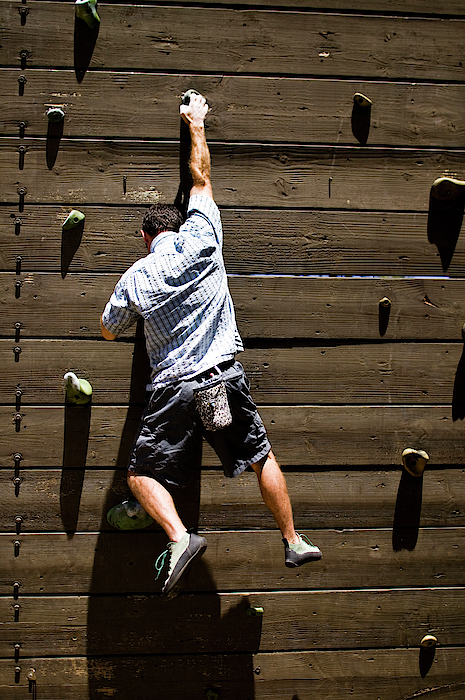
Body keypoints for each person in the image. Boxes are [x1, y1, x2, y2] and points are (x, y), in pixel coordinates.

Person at [100, 91, 321, 599]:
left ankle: (179, 538)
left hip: (174, 389)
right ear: (177, 225)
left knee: (139, 475)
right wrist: (195, 120)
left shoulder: (138, 274)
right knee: (260, 455)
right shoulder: (203, 235)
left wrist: (142, 307)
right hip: (219, 381)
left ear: (143, 237)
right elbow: (200, 177)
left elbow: (109, 328)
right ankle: (292, 540)